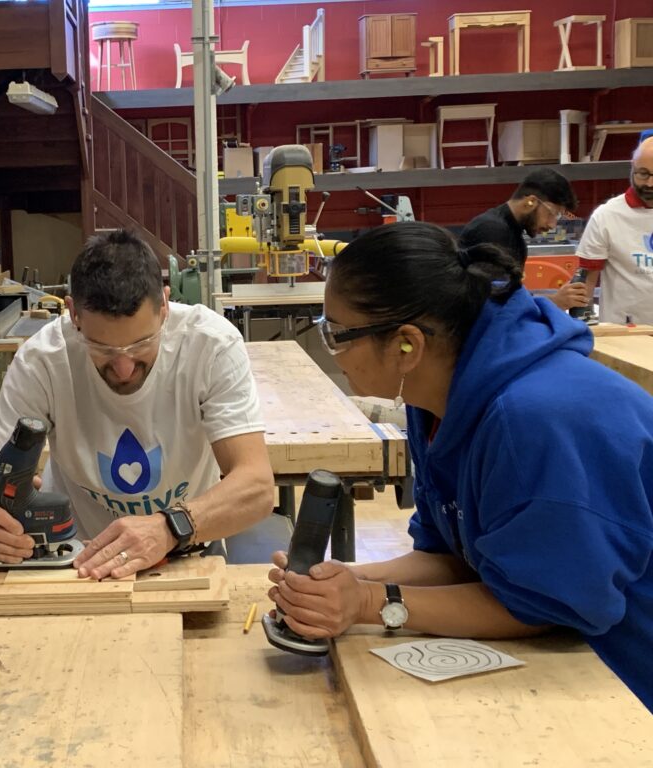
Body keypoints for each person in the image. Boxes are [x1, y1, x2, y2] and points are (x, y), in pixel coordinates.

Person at [267, 222, 653, 712]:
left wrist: (369, 602)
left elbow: (547, 604)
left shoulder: (534, 420)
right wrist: (343, 580)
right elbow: (455, 557)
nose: (333, 351)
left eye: (336, 334)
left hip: (628, 680)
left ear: (407, 345)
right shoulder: (435, 399)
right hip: (577, 667)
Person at [0, 229, 274, 580]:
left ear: (164, 305)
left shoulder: (210, 345)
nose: (124, 368)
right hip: (77, 560)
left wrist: (169, 527)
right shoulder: (42, 361)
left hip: (187, 545)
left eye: (142, 344)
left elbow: (256, 485)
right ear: (73, 313)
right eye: (103, 349)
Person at [459, 168, 586, 312]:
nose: (552, 225)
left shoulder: (512, 233)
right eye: (552, 214)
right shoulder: (492, 230)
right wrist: (555, 301)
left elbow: (510, 296)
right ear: (530, 202)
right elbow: (494, 303)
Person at [575, 137, 653, 325]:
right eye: (643, 174)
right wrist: (582, 327)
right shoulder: (607, 216)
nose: (650, 183)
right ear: (632, 168)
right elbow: (586, 283)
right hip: (624, 332)